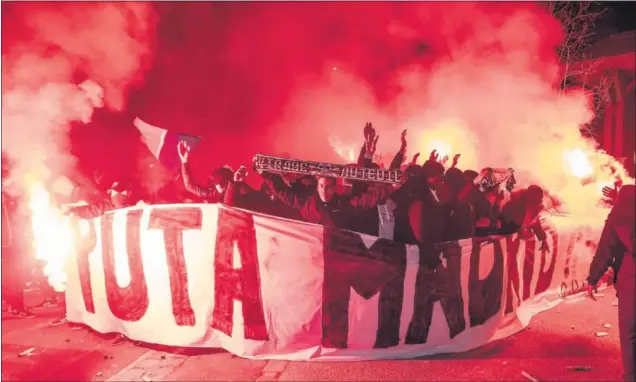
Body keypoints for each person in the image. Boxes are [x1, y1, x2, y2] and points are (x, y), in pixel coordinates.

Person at [586, 185, 635, 382]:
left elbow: (606, 247)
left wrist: (593, 278)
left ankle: (631, 376)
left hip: (629, 274)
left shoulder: (619, 214)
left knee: (629, 330)